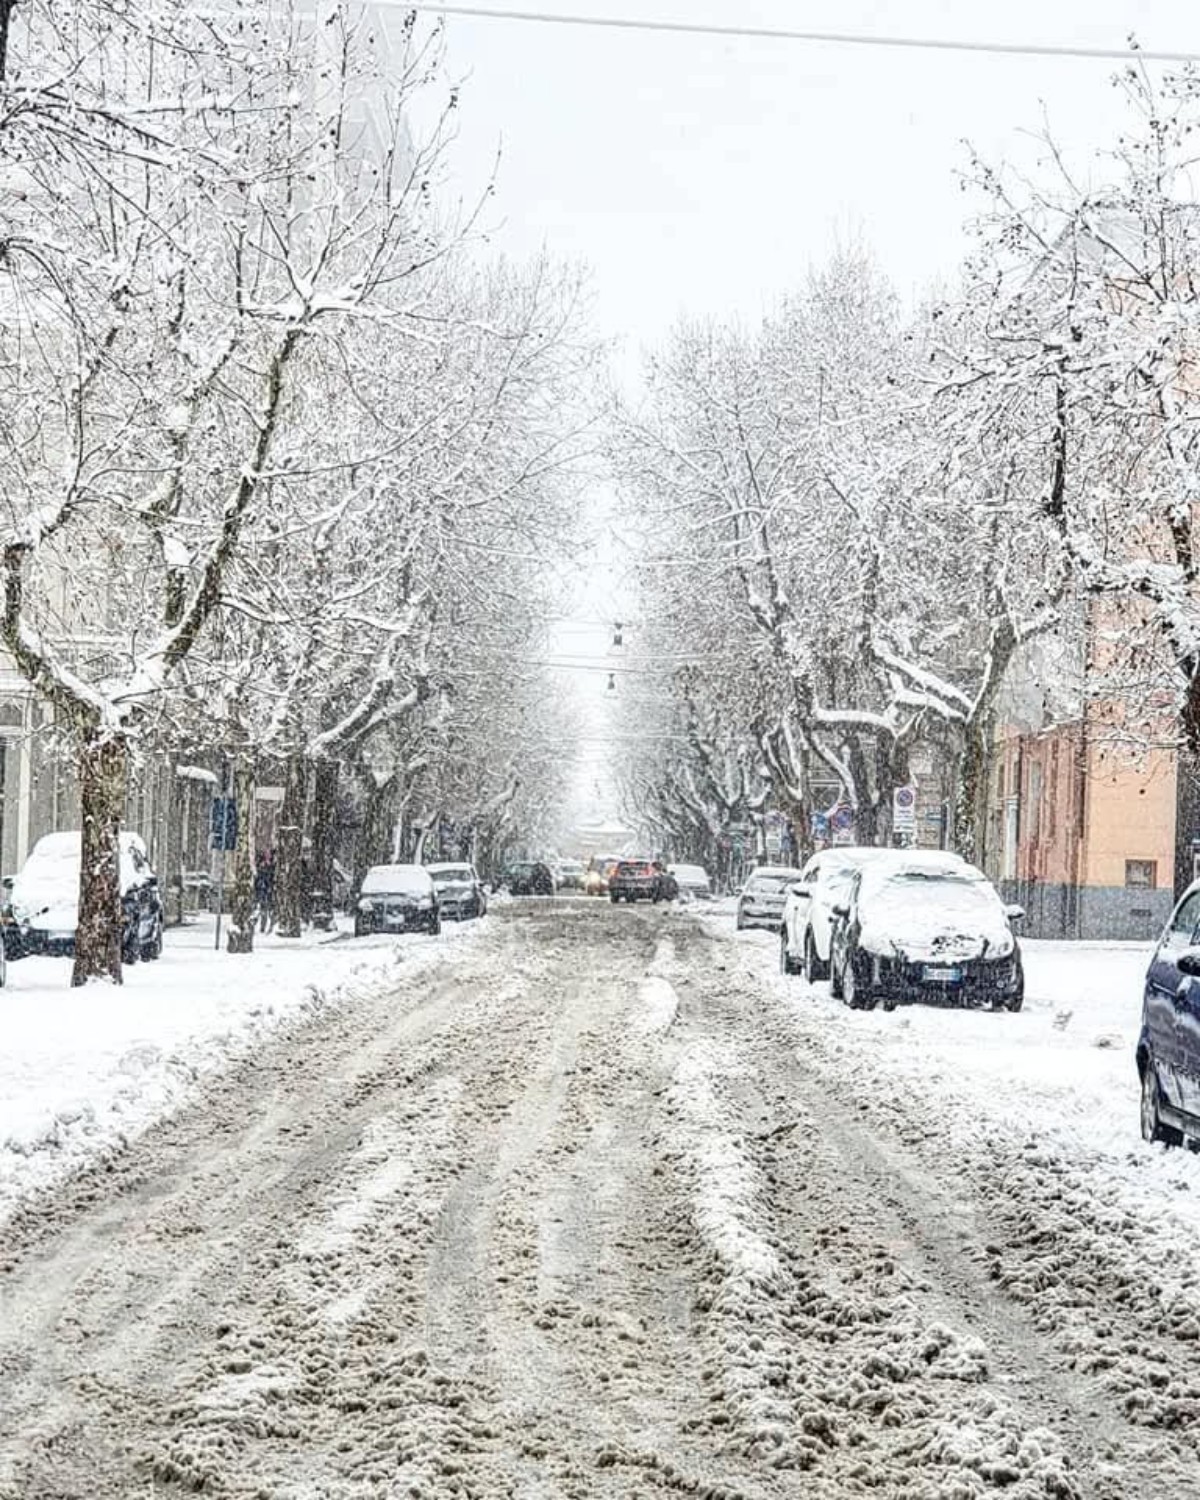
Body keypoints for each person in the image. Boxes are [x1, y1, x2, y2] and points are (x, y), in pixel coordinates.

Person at [254, 849, 276, 933]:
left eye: (269, 854)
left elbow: (272, 877)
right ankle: (262, 927)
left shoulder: (272, 865)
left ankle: (270, 926)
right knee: (263, 909)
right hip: (262, 890)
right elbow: (259, 878)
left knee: (269, 909)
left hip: (269, 890)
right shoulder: (261, 865)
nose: (267, 856)